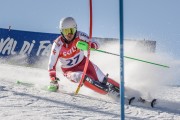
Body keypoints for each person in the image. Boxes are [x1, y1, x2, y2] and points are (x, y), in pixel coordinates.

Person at [48, 17, 120, 99]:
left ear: (76, 29)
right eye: (66, 31)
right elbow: (51, 64)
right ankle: (111, 93)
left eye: (72, 30)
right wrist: (53, 79)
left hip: (85, 63)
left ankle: (125, 91)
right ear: (61, 31)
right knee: (82, 77)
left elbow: (96, 43)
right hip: (70, 70)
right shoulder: (57, 45)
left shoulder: (80, 35)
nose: (69, 34)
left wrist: (90, 46)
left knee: (103, 79)